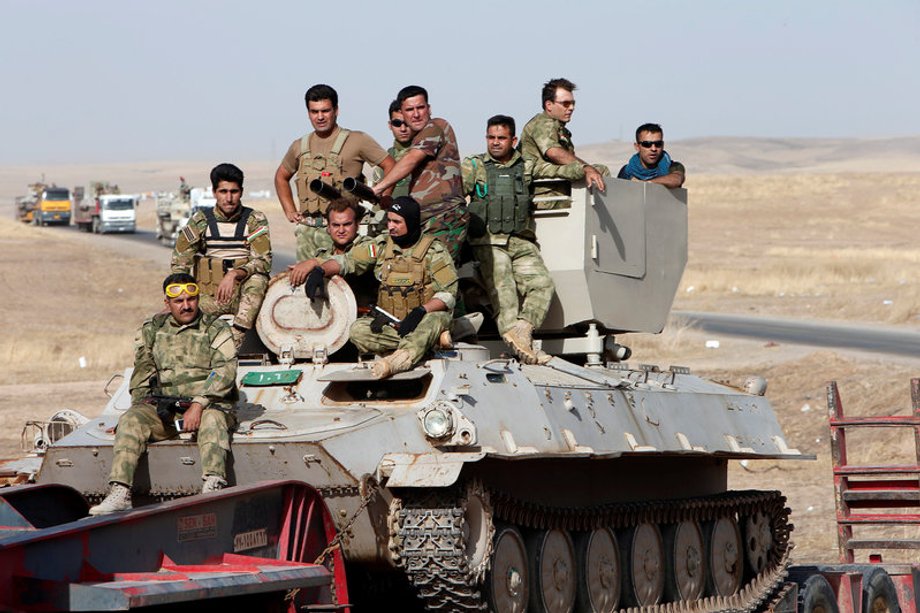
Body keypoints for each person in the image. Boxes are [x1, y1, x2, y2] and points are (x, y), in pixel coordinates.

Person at [89, 273, 238, 515]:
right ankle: (120, 492)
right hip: (168, 409)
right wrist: (136, 410)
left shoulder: (216, 328)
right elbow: (143, 372)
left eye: (191, 299)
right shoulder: (152, 330)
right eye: (179, 301)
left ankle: (213, 485)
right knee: (131, 420)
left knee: (213, 420)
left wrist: (199, 404)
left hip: (211, 406)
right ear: (167, 303)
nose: (186, 305)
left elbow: (224, 370)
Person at [306, 197, 457, 379]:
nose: (391, 226)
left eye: (397, 222)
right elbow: (347, 261)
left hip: (423, 318)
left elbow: (448, 294)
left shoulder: (435, 251)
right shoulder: (381, 246)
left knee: (436, 319)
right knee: (358, 331)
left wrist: (421, 310)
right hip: (393, 324)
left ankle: (397, 361)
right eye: (389, 221)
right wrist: (320, 270)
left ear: (411, 222)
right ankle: (425, 343)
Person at [462, 115, 554, 364]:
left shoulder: (527, 165)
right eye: (491, 137)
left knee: (543, 284)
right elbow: (453, 192)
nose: (495, 143)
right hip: (488, 242)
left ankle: (523, 331)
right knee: (504, 290)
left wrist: (589, 169)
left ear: (513, 140)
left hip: (520, 241)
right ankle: (522, 348)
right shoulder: (475, 166)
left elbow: (558, 170)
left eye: (501, 138)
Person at [274, 84, 395, 261]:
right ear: (308, 113)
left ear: (336, 110)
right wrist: (289, 210)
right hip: (307, 233)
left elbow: (390, 165)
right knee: (305, 284)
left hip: (343, 233)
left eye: (325, 111)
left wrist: (383, 198)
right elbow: (281, 177)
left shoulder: (357, 140)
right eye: (314, 112)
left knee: (342, 285)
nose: (320, 117)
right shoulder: (300, 146)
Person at [171, 163, 271, 350]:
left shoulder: (254, 220)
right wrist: (180, 294)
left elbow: (263, 261)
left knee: (258, 279)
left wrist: (234, 274)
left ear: (241, 192)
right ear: (214, 192)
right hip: (211, 295)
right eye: (223, 191)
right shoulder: (200, 221)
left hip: (245, 294)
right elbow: (180, 261)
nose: (229, 198)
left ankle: (235, 341)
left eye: (234, 192)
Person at [371, 85, 468, 261]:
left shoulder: (436, 126)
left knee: (438, 275)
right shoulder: (415, 139)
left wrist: (378, 188)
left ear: (428, 109)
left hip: (444, 216)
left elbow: (412, 159)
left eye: (420, 108)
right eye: (409, 109)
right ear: (402, 113)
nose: (416, 114)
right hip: (423, 220)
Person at [520, 78, 609, 190]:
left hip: (559, 188)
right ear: (549, 105)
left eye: (572, 103)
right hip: (545, 193)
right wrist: (586, 168)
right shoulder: (542, 124)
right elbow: (554, 152)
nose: (571, 108)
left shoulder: (560, 130)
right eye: (566, 104)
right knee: (593, 171)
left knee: (600, 170)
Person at [287, 198, 379, 307]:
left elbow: (348, 260)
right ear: (329, 227)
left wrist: (315, 263)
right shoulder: (323, 253)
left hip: (363, 315)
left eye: (347, 224)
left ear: (357, 225)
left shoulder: (368, 246)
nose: (341, 230)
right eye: (336, 225)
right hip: (332, 316)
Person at [617, 123, 686, 187]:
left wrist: (646, 184)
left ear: (663, 145)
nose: (653, 149)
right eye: (647, 144)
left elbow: (677, 179)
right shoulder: (626, 172)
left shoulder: (673, 166)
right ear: (637, 147)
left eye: (658, 144)